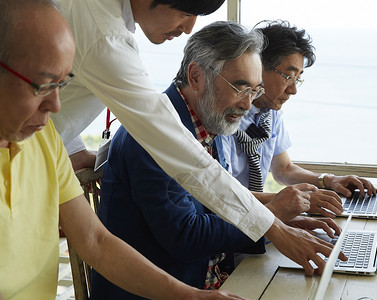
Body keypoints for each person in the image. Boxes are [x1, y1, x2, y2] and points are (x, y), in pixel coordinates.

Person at [51, 0, 344, 274]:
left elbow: (207, 191)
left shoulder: (209, 118)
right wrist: (273, 224)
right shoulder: (106, 38)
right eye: (187, 10)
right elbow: (189, 175)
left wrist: (279, 213)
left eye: (254, 92)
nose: (189, 27)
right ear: (196, 78)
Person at [0, 1, 247, 299]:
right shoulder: (149, 135)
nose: (56, 105)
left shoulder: (46, 139)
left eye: (63, 84)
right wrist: (269, 223)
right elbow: (185, 233)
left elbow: (96, 241)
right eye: (41, 86)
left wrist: (189, 296)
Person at [220, 20, 377, 215]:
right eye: (288, 76)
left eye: (298, 79)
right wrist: (299, 201)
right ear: (257, 68)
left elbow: (283, 169)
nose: (293, 90)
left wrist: (329, 180)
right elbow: (223, 194)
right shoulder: (227, 116)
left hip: (257, 215)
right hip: (231, 218)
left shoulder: (269, 114)